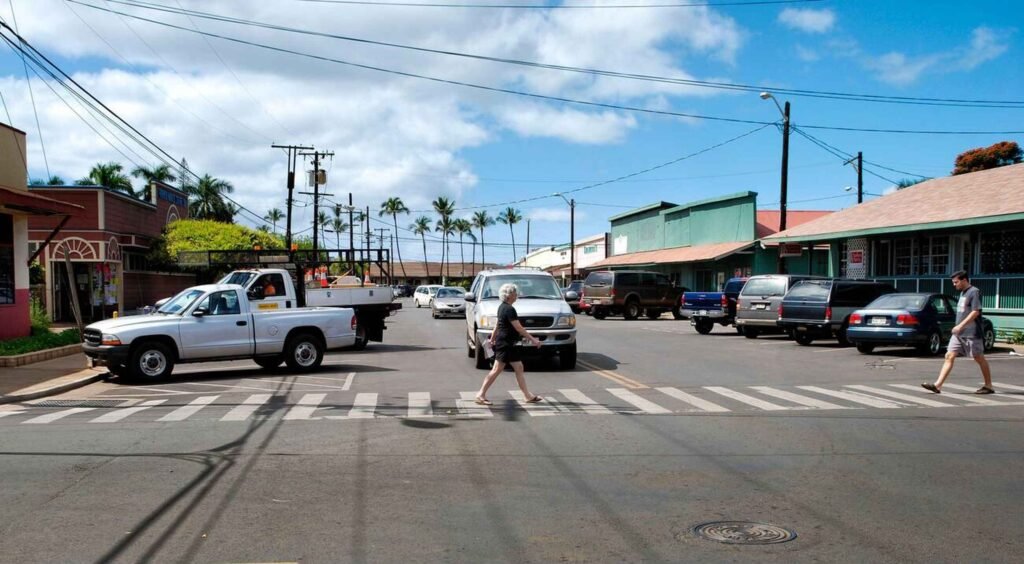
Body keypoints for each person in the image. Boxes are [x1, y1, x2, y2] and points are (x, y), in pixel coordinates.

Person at [923, 270, 993, 394]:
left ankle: (989, 385)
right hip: (959, 334)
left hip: (972, 333)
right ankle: (937, 385)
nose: (954, 285)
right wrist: (958, 328)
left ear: (964, 280)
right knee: (949, 355)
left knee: (979, 358)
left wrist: (960, 325)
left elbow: (975, 311)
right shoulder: (963, 293)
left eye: (956, 282)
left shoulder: (974, 292)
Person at [475, 283, 543, 406]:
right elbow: (518, 327)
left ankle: (527, 396)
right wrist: (533, 340)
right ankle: (480, 394)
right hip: (506, 344)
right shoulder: (509, 309)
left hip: (508, 344)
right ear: (509, 295)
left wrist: (492, 338)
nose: (517, 295)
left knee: (519, 367)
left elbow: (497, 325)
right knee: (496, 370)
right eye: (515, 293)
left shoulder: (502, 307)